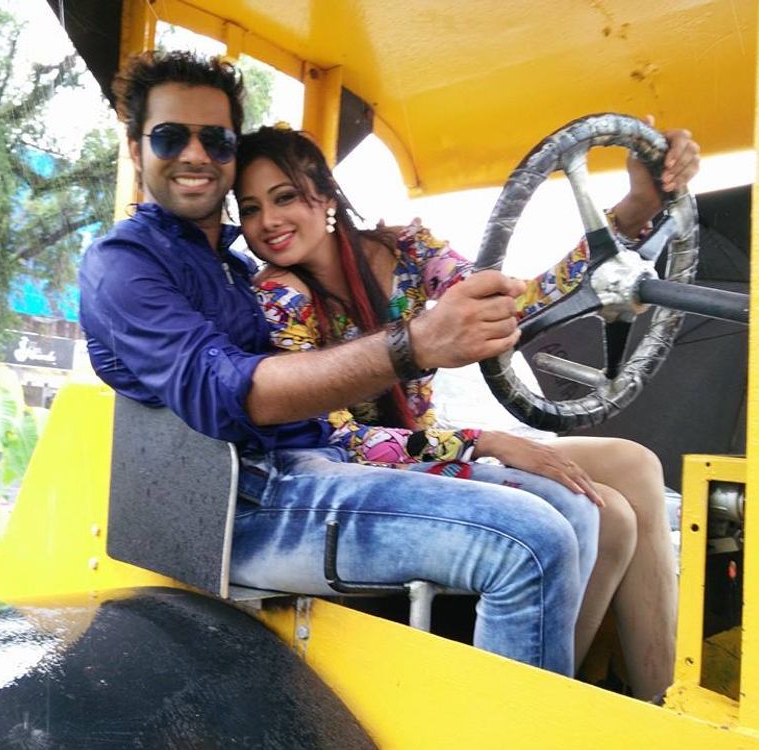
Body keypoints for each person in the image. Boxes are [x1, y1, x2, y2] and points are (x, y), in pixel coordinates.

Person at [79, 49, 599, 678]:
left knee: (574, 509)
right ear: (136, 149)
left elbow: (507, 300)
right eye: (169, 137)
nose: (195, 154)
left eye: (215, 140)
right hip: (241, 506)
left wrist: (621, 229)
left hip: (316, 469)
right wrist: (414, 345)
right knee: (531, 542)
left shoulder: (236, 268)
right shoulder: (124, 264)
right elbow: (228, 394)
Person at [233, 124, 700, 700]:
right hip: (367, 476)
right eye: (250, 209)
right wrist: (486, 441)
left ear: (326, 197)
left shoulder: (405, 251)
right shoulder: (280, 299)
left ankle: (665, 703)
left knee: (634, 465)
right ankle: (549, 704)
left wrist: (630, 214)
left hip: (430, 446)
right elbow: (340, 441)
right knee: (610, 516)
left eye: (284, 197)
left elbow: (512, 306)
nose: (268, 221)